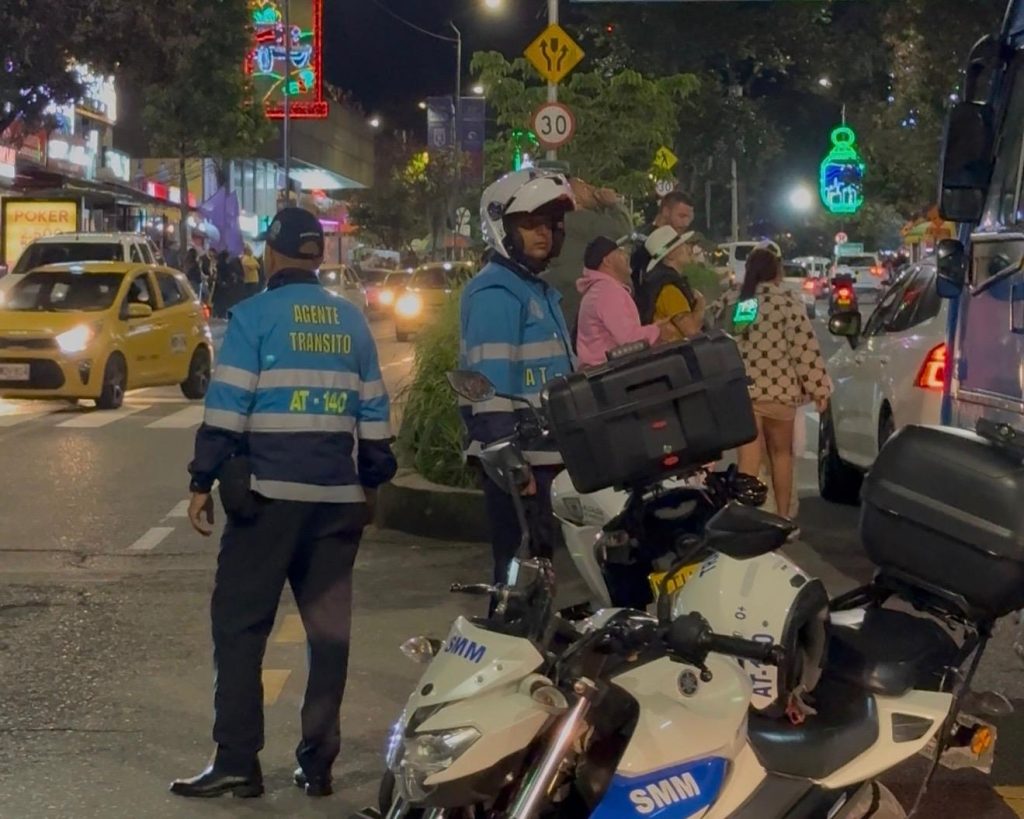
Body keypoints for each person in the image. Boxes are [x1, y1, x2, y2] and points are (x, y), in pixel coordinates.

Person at [171, 207, 397, 800]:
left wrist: (201, 481)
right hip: (336, 502)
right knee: (328, 637)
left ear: (271, 254)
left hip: (267, 502)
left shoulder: (253, 317)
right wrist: (371, 485)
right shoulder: (351, 322)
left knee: (240, 627)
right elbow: (375, 415)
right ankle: (318, 765)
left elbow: (227, 408)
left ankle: (237, 761)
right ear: (318, 257)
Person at [461, 170, 576, 586]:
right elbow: (487, 388)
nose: (543, 233)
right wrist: (509, 461)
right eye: (530, 224)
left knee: (537, 573)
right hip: (521, 463)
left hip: (543, 458)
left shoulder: (534, 290)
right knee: (518, 577)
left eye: (548, 224)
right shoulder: (497, 293)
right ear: (503, 228)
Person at [716, 247, 831, 527]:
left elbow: (720, 340)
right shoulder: (787, 301)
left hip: (743, 394)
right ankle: (783, 518)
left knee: (748, 461)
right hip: (779, 392)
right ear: (776, 271)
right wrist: (819, 388)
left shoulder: (733, 301)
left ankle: (747, 520)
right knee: (782, 456)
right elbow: (804, 348)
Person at [544, 177, 632, 336]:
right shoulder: (582, 219)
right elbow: (623, 232)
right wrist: (613, 204)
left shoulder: (557, 221)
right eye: (585, 188)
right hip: (576, 294)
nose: (593, 190)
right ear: (574, 198)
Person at [575, 236, 672, 368]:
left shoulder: (600, 290)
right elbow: (629, 339)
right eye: (620, 251)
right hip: (610, 372)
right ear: (607, 261)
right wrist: (658, 331)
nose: (626, 255)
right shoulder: (608, 292)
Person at [634, 226, 706, 340]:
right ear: (670, 255)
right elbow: (691, 330)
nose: (688, 248)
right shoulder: (669, 289)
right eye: (682, 245)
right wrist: (701, 305)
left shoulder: (661, 282)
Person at [630, 190, 696, 283]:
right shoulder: (645, 241)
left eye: (689, 218)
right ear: (666, 212)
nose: (686, 223)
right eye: (682, 216)